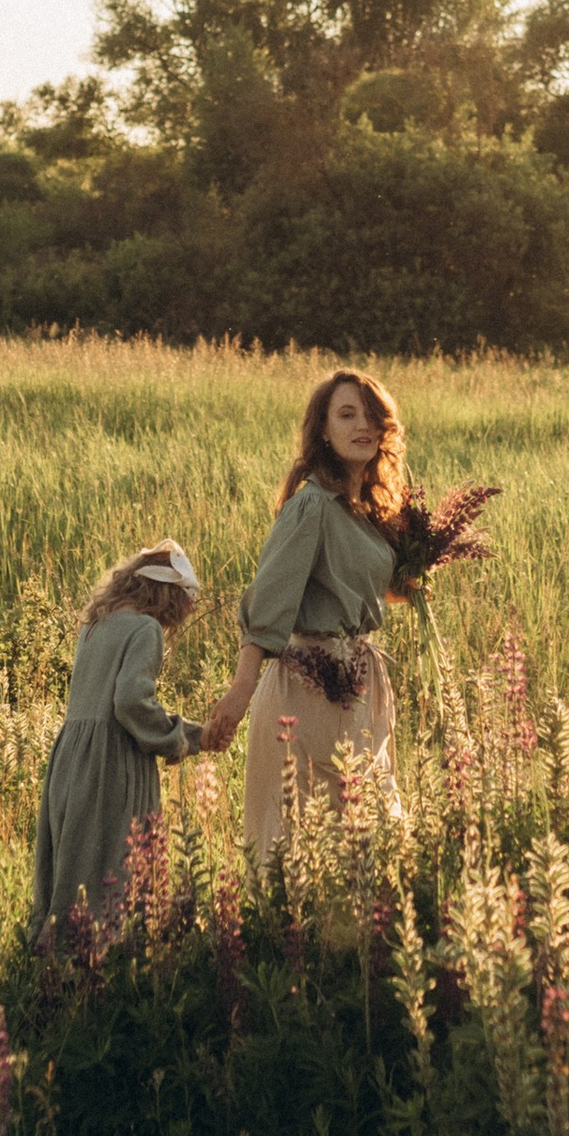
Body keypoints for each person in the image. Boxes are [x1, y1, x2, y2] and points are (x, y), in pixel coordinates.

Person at [201, 369, 404, 865]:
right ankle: (291, 941)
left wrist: (419, 559)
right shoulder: (311, 505)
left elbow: (366, 588)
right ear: (324, 432)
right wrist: (240, 690)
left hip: (362, 687)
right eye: (347, 414)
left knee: (373, 833)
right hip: (308, 690)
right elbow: (270, 605)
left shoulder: (365, 510)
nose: (363, 425)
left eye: (371, 414)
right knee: (308, 841)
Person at [30, 540, 209, 940]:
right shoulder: (145, 629)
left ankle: (51, 968)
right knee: (114, 873)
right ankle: (105, 972)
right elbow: (130, 701)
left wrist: (191, 733)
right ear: (168, 593)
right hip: (113, 765)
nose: (191, 609)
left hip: (72, 762)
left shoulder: (95, 626)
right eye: (188, 597)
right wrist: (180, 738)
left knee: (73, 869)